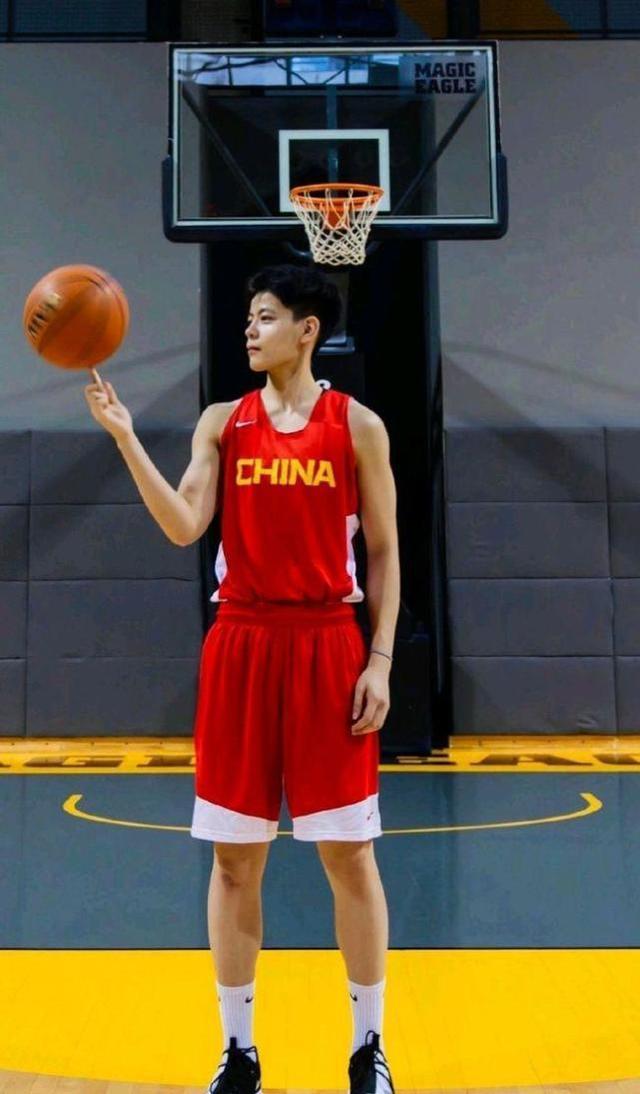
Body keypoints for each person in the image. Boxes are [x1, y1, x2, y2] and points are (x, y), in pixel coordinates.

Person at [84, 263, 400, 1094]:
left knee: (349, 856)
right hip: (241, 642)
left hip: (328, 642)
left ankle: (369, 1047)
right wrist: (125, 438)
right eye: (249, 318)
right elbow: (185, 524)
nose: (249, 330)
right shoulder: (223, 423)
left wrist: (380, 659)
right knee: (232, 863)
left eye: (265, 317)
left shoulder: (358, 425)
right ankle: (238, 1052)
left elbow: (384, 551)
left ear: (307, 329)